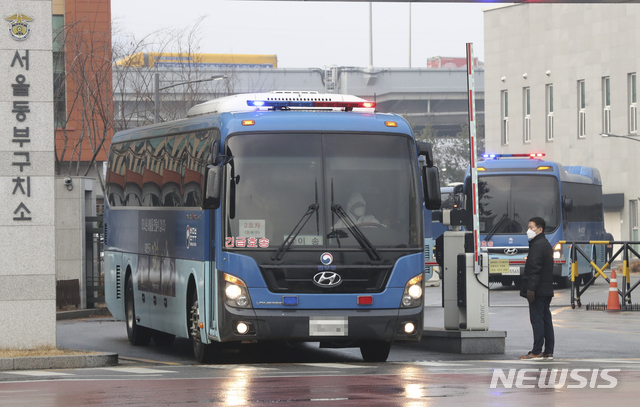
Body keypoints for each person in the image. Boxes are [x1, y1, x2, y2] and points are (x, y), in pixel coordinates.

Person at [519, 216, 555, 360]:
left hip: (538, 290)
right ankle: (549, 350)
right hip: (546, 289)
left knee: (537, 320)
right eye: (528, 227)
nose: (529, 230)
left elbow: (535, 269)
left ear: (539, 229)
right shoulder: (545, 244)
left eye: (531, 227)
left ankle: (537, 351)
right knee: (546, 319)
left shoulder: (537, 246)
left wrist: (531, 289)